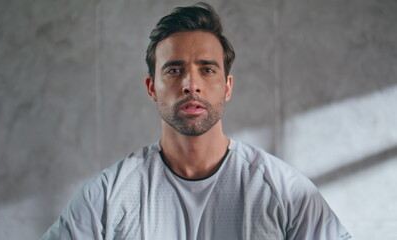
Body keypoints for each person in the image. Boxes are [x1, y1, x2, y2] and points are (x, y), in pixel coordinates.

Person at [41, 2, 352, 240]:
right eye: (174, 70)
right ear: (152, 88)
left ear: (227, 86)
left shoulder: (286, 191)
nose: (191, 84)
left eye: (207, 69)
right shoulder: (108, 196)